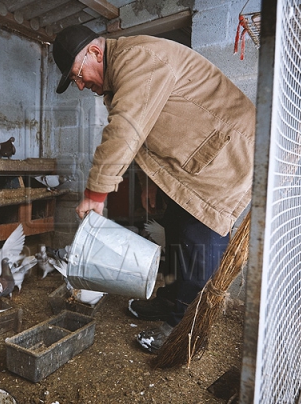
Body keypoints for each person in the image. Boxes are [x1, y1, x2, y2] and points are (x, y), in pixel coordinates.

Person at [51, 25, 255, 353]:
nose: (79, 84)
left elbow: (126, 129)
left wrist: (96, 193)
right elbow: (147, 129)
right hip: (191, 164)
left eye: (77, 74)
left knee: (196, 238)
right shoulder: (121, 75)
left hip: (224, 159)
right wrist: (150, 182)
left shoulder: (138, 58)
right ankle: (171, 301)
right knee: (175, 227)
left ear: (95, 53)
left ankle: (185, 328)